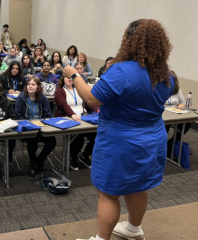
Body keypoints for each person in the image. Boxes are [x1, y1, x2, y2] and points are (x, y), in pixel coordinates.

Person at [67, 19, 174, 240]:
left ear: (129, 39)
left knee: (108, 192)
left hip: (121, 140)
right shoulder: (166, 73)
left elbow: (91, 99)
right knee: (138, 185)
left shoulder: (121, 71)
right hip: (152, 136)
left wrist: (74, 75)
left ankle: (101, 239)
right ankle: (134, 229)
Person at [55, 75, 99, 170]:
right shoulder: (59, 91)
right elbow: (63, 105)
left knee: (97, 138)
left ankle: (84, 156)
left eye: (72, 78)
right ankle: (73, 157)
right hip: (68, 118)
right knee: (79, 138)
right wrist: (72, 114)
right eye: (67, 77)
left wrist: (98, 110)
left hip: (83, 118)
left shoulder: (79, 91)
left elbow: (88, 103)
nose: (69, 79)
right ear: (63, 79)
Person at [15, 77, 56, 176]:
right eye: (28, 84)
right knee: (32, 145)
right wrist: (29, 124)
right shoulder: (21, 97)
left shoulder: (43, 98)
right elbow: (19, 115)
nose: (30, 86)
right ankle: (33, 161)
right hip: (28, 127)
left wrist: (41, 123)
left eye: (33, 84)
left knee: (52, 142)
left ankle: (40, 161)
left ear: (38, 87)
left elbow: (47, 114)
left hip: (41, 126)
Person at [164, 70, 191, 156]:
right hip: (163, 114)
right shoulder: (160, 89)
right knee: (165, 126)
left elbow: (182, 102)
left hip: (175, 113)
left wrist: (177, 109)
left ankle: (173, 142)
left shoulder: (177, 90)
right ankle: (162, 146)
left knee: (187, 124)